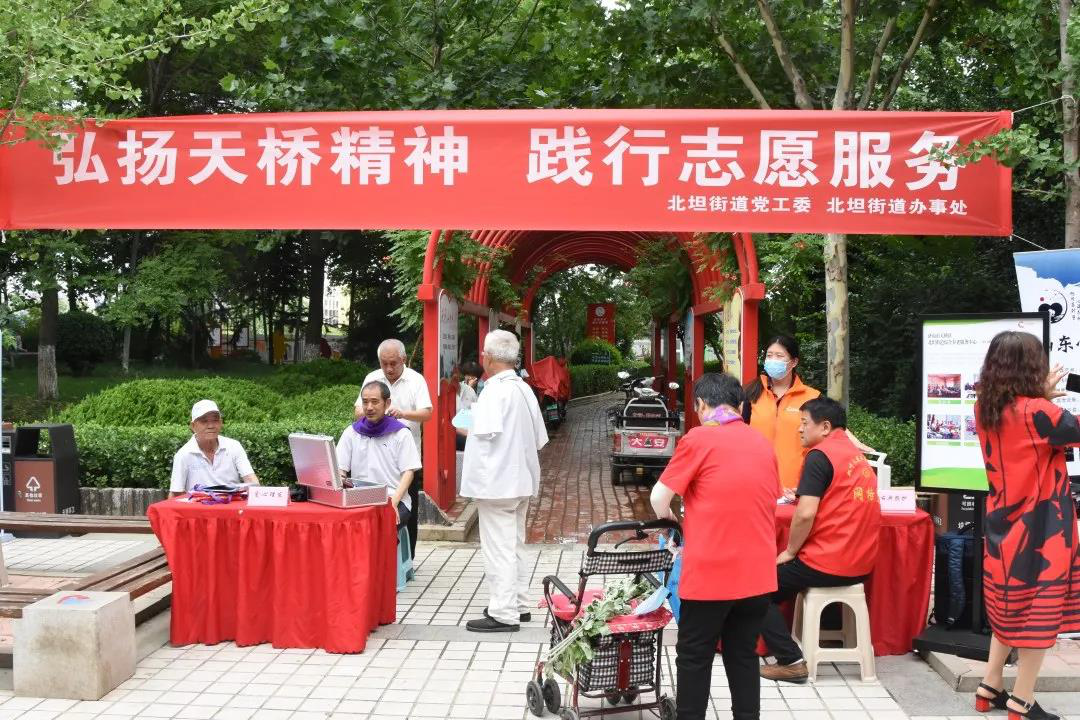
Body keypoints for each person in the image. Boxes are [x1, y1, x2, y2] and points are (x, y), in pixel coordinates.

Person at [651, 373, 779, 720]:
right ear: (740, 405)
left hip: (710, 574)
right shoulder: (761, 442)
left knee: (695, 656)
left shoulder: (699, 437)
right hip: (757, 573)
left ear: (700, 405)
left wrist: (672, 524)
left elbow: (659, 498)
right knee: (743, 655)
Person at [971, 331, 1080, 720]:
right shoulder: (1041, 412)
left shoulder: (984, 408)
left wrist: (1043, 399)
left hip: (1002, 525)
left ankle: (990, 684)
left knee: (1010, 606)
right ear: (1032, 367)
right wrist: (1046, 399)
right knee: (1038, 613)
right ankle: (1022, 699)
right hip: (1044, 529)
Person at [759, 397, 881, 683]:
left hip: (828, 561)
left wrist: (790, 551)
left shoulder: (819, 456)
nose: (799, 429)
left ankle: (791, 661)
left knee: (756, 588)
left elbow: (805, 514)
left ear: (825, 427)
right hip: (861, 564)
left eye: (804, 423)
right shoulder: (854, 455)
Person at [461, 330, 548, 632]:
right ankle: (518, 604)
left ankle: (503, 612)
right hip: (521, 479)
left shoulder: (494, 390)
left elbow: (478, 432)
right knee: (514, 544)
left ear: (488, 357)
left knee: (498, 547)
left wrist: (462, 421)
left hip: (497, 484)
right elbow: (540, 438)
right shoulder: (524, 389)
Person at [357, 339, 432, 555]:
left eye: (393, 363)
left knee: (408, 505)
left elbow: (427, 413)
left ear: (403, 359)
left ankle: (408, 557)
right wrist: (376, 412)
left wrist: (402, 414)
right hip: (374, 455)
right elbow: (358, 411)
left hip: (406, 455)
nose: (389, 369)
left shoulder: (415, 380)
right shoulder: (372, 378)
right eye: (384, 364)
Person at [337, 381, 422, 529]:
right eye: (365, 402)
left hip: (393, 497)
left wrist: (393, 503)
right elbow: (340, 469)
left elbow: (408, 472)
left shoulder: (401, 433)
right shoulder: (351, 432)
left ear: (387, 403)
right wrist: (339, 480)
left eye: (375, 402)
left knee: (379, 526)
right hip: (359, 498)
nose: (369, 407)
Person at [743, 335, 822, 491]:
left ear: (794, 362)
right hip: (755, 484)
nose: (773, 360)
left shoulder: (812, 397)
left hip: (795, 486)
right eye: (769, 355)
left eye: (779, 356)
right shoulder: (750, 393)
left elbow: (830, 429)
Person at [169, 400, 259, 497]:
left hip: (232, 503)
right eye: (204, 421)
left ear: (221, 423)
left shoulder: (234, 446)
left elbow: (251, 480)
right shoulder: (183, 455)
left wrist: (257, 496)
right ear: (193, 426)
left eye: (215, 420)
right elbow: (176, 492)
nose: (211, 426)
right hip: (198, 505)